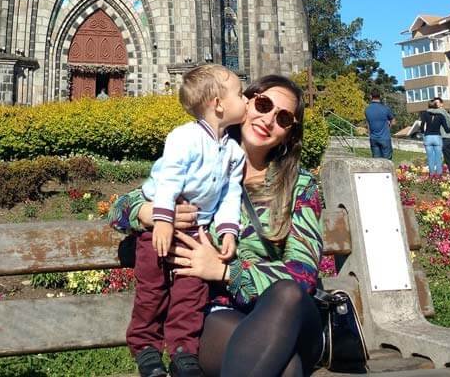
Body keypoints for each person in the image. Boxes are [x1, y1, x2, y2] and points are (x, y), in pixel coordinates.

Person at [110, 74, 323, 377]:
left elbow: (303, 275)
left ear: (289, 134)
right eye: (263, 104)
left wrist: (225, 271)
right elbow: (119, 210)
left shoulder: (300, 186)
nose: (267, 120)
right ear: (243, 103)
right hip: (219, 312)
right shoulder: (201, 158)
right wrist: (146, 212)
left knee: (287, 294)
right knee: (286, 369)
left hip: (290, 316)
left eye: (284, 117)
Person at [125, 64, 249, 377]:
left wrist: (228, 230)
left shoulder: (234, 152)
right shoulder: (184, 137)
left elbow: (229, 195)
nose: (246, 99)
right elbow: (168, 179)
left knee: (190, 295)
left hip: (198, 232)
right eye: (241, 93)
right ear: (218, 103)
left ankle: (183, 352)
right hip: (160, 226)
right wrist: (162, 219)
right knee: (151, 291)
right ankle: (147, 350)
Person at [419, 98, 447, 178]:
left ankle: (431, 175)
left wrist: (423, 132)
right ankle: (439, 175)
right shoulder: (440, 115)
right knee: (438, 158)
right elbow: (446, 128)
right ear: (436, 106)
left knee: (430, 158)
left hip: (428, 137)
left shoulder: (424, 114)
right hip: (437, 137)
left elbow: (422, 126)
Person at [433, 97, 450, 179]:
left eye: (436, 103)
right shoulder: (447, 113)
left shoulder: (439, 113)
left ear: (441, 104)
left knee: (448, 159)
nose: (435, 104)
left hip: (445, 139)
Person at [364, 91, 394, 159]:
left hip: (373, 138)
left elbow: (368, 124)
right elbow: (393, 121)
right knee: (387, 162)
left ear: (371, 97)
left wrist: (369, 134)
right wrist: (389, 128)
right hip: (385, 138)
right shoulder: (385, 108)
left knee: (376, 162)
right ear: (380, 97)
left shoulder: (367, 109)